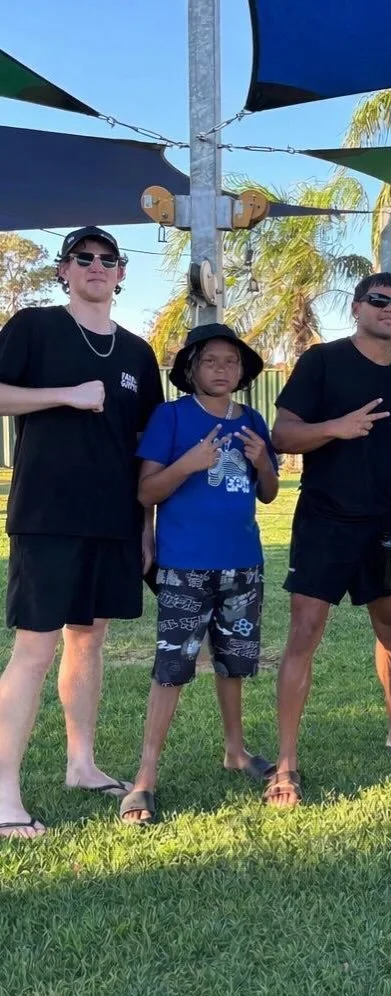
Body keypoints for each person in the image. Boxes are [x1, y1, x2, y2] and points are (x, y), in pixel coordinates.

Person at [0, 227, 163, 839]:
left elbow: (146, 447)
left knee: (89, 640)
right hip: (48, 516)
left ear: (120, 274)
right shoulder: (34, 326)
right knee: (35, 649)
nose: (96, 265)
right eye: (83, 257)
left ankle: (82, 765)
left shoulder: (137, 353)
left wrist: (145, 527)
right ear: (64, 270)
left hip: (114, 520)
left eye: (107, 259)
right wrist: (64, 395)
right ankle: (3, 795)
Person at [266, 273, 391, 808]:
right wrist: (336, 427)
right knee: (305, 631)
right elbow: (282, 435)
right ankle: (285, 764)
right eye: (378, 301)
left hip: (383, 526)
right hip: (324, 520)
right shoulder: (322, 361)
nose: (389, 310)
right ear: (357, 308)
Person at [119, 324, 279, 825]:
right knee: (172, 667)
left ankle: (236, 750)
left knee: (234, 663)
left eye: (231, 361)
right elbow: (146, 492)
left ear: (242, 371)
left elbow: (269, 493)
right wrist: (188, 463)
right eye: (210, 360)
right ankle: (144, 778)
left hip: (243, 562)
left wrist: (263, 462)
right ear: (191, 369)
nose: (221, 369)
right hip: (185, 565)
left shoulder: (252, 420)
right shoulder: (170, 417)